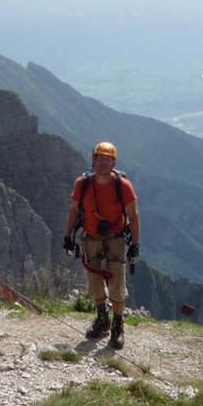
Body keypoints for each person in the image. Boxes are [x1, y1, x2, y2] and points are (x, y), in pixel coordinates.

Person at [63, 141, 140, 350]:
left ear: (114, 163)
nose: (103, 163)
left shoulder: (123, 186)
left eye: (107, 160)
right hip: (91, 238)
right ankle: (102, 319)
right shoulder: (82, 184)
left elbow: (133, 216)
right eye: (99, 159)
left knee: (117, 285)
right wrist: (67, 236)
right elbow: (74, 210)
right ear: (93, 160)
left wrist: (135, 245)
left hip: (116, 239)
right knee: (94, 283)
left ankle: (117, 326)